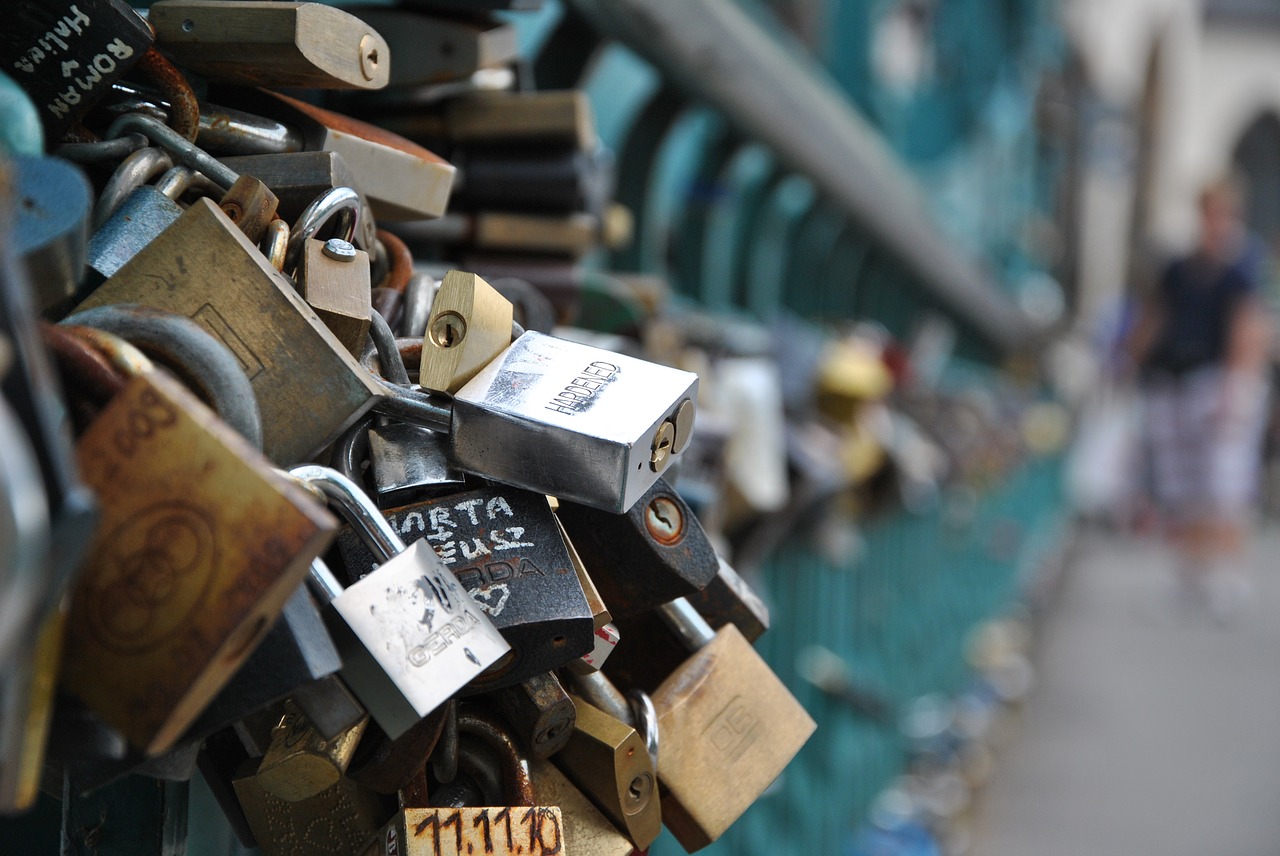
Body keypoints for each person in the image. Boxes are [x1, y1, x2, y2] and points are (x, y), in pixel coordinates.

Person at [1126, 176, 1273, 621]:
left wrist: (1236, 388)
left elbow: (1249, 329)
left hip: (1218, 381)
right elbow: (1155, 317)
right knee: (1186, 483)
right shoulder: (1179, 268)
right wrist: (1128, 359)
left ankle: (1227, 572)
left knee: (1223, 483)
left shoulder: (1243, 267)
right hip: (1175, 381)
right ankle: (1193, 568)